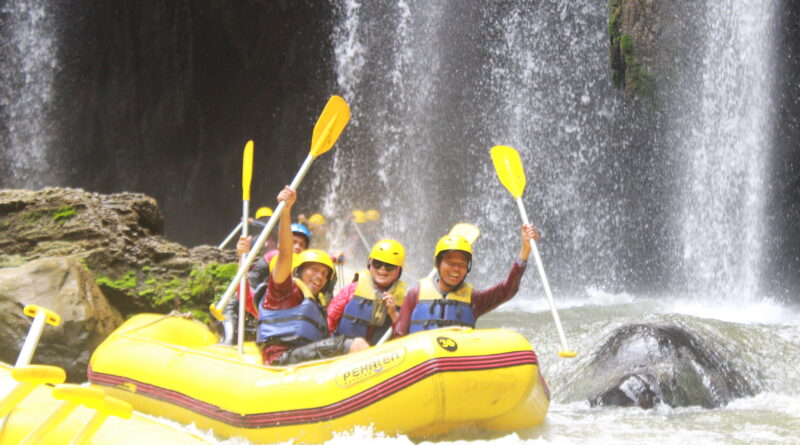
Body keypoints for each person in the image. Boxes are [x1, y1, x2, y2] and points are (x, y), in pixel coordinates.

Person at [238, 186, 366, 366]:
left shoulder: (316, 305)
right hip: (281, 360)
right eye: (313, 270)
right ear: (298, 271)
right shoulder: (283, 290)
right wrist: (285, 211)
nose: (319, 277)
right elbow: (284, 254)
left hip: (302, 363)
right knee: (356, 345)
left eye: (323, 274)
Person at [392, 225, 539, 337]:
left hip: (459, 366)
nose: (456, 269)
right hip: (421, 365)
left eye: (462, 264)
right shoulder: (415, 294)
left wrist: (524, 252)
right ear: (438, 264)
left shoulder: (473, 299)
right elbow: (400, 334)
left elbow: (506, 290)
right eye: (450, 263)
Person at [327, 239, 407, 345]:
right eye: (377, 264)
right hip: (346, 350)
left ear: (398, 271)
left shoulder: (404, 300)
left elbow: (407, 336)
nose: (382, 269)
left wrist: (393, 314)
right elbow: (330, 317)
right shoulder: (353, 289)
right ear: (370, 264)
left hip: (379, 357)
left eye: (389, 266)